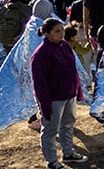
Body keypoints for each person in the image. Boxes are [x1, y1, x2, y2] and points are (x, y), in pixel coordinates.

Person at [31, 17, 88, 169]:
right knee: (50, 130)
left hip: (69, 94)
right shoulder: (40, 55)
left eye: (62, 29)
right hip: (53, 99)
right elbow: (39, 83)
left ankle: (68, 153)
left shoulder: (64, 46)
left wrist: (77, 90)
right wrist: (45, 106)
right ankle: (52, 161)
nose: (62, 33)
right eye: (57, 31)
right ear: (47, 34)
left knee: (68, 124)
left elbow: (73, 70)